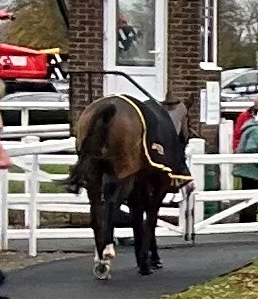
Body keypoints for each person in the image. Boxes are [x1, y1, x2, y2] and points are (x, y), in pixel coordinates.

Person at [72, 93, 181, 278]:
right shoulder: (159, 132)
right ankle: (134, 254)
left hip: (121, 183)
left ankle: (104, 255)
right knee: (123, 205)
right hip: (131, 182)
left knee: (102, 202)